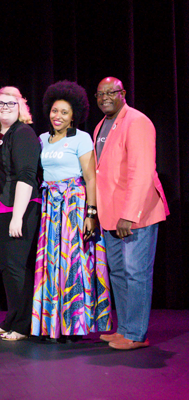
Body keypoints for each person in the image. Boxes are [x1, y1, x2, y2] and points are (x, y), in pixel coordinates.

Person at [32, 80, 112, 341]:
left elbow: (90, 178)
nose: (58, 116)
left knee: (73, 262)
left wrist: (91, 214)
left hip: (74, 205)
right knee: (52, 263)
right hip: (50, 207)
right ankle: (52, 325)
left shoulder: (81, 138)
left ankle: (75, 325)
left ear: (74, 115)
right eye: (55, 111)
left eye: (64, 112)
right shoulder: (43, 139)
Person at [93, 77, 169, 350]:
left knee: (136, 272)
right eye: (100, 94)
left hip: (134, 214)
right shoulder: (101, 126)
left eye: (111, 92)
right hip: (110, 214)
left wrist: (129, 214)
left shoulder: (137, 121)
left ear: (122, 93)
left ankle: (136, 334)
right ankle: (124, 328)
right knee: (118, 273)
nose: (105, 97)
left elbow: (142, 171)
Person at [0, 87, 41, 341]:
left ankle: (23, 324)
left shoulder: (23, 133)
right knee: (6, 265)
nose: (5, 107)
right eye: (1, 103)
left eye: (11, 103)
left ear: (21, 106)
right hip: (3, 208)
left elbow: (27, 176)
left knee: (16, 266)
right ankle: (12, 317)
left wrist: (18, 216)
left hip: (22, 208)